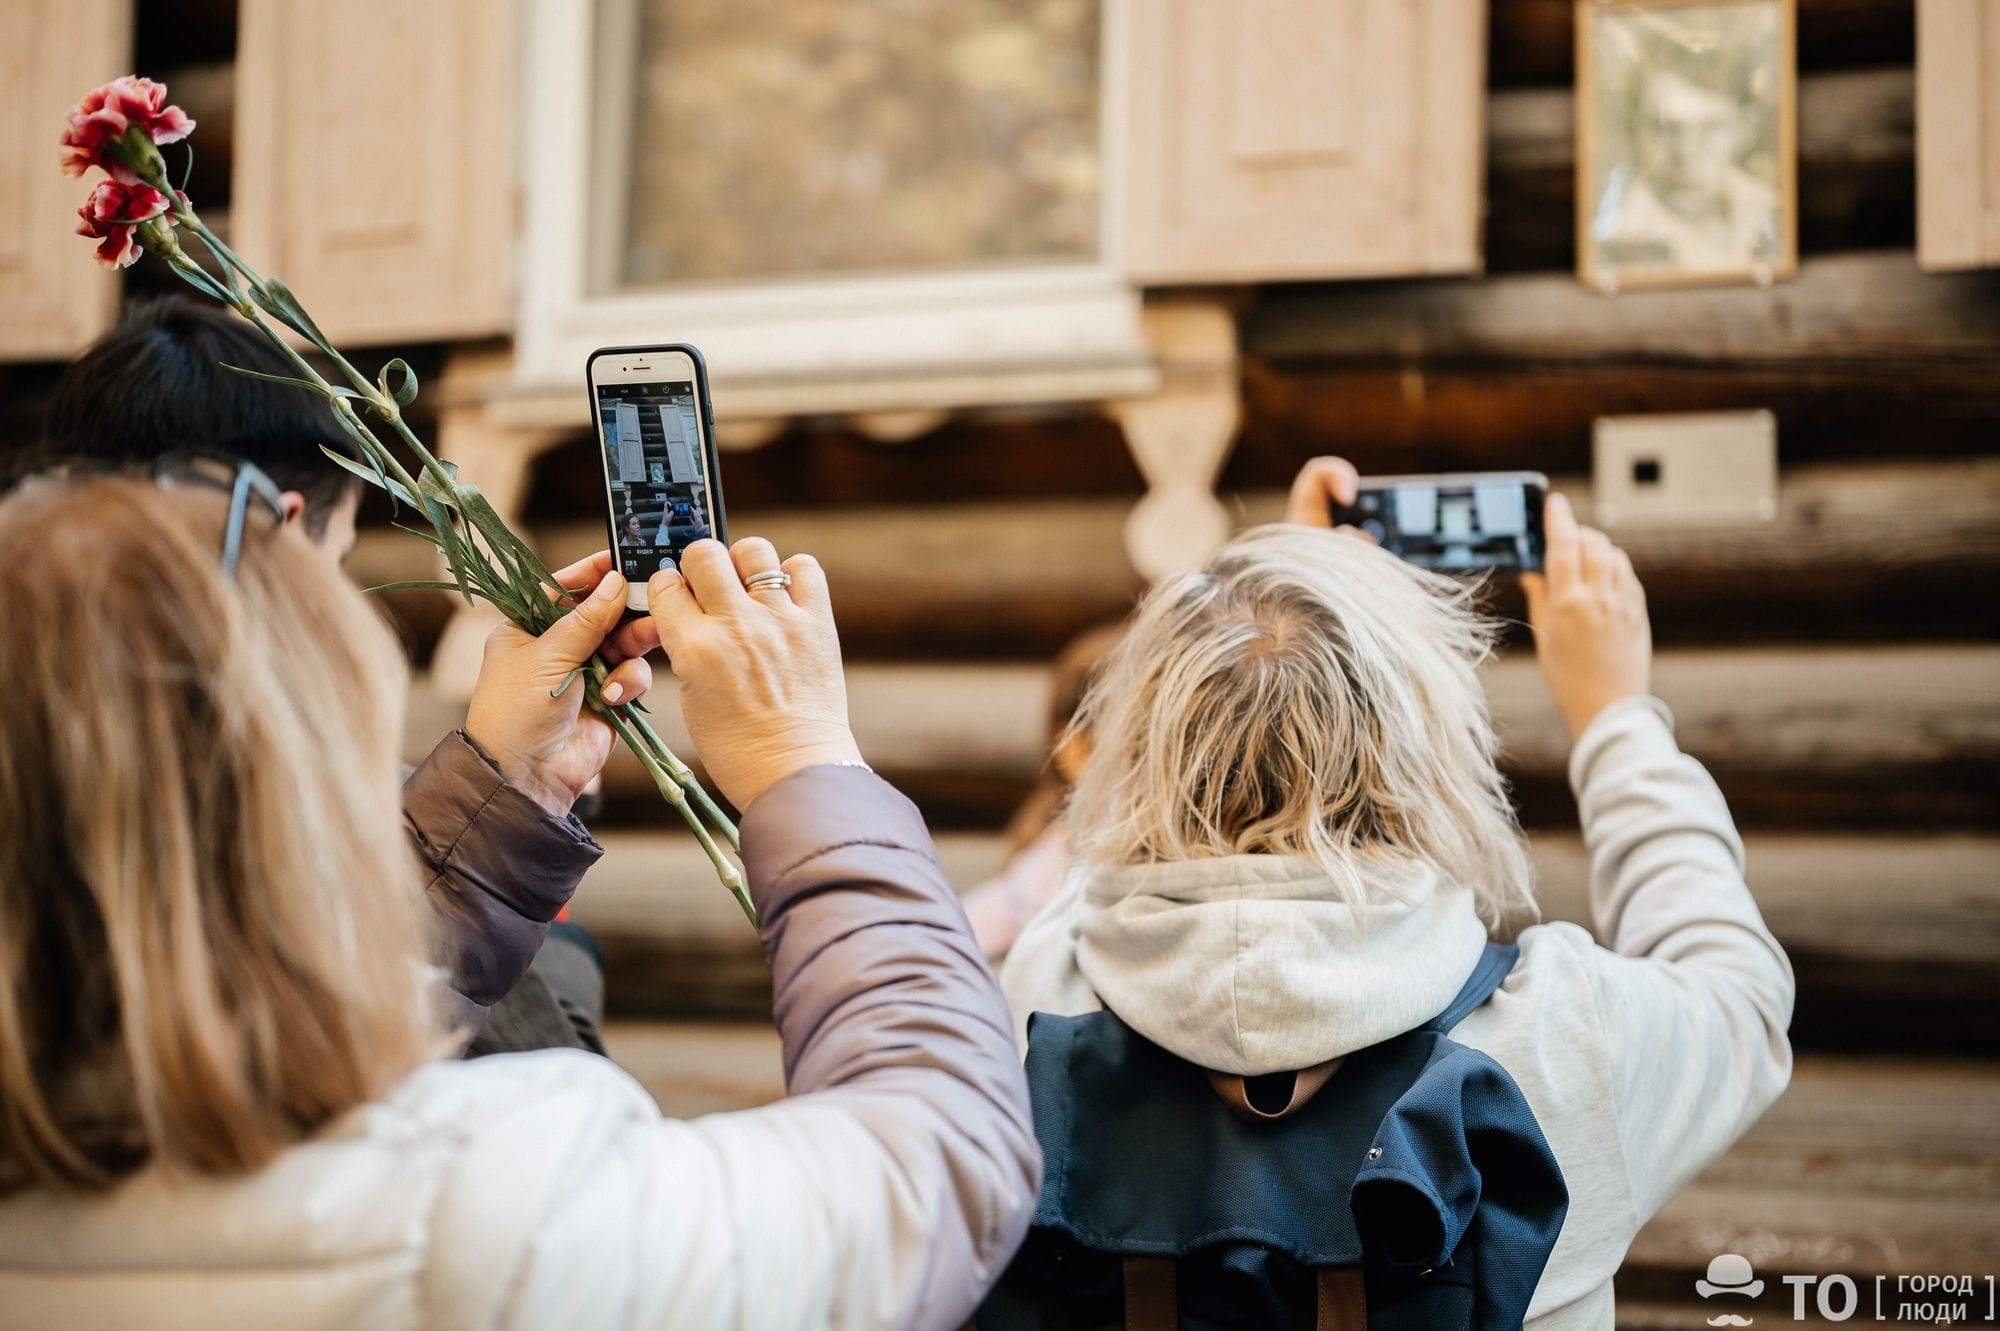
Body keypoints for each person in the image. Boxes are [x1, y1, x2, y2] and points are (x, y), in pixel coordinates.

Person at [0, 474, 1039, 1330]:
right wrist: (801, 763)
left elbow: (264, 1013)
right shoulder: (491, 1210)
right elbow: (934, 1164)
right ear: (292, 815)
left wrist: (504, 794)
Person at [999, 456, 1795, 1329]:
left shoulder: (1038, 1003)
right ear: (1426, 757)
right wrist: (1616, 719)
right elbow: (1740, 994)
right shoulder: (1563, 1037)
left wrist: (1277, 620)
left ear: (1142, 750)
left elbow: (1117, 857)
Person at [32, 295, 643, 1052]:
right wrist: (558, 947)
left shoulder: (37, 759)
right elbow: (399, 1059)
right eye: (342, 558)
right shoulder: (303, 806)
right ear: (281, 527)